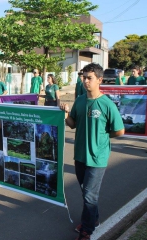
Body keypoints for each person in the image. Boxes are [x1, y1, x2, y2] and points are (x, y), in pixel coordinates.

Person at [59, 63, 125, 240]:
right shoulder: (80, 100)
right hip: (80, 155)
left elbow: (119, 130)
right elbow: (73, 124)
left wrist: (102, 137)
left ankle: (86, 230)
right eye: (83, 77)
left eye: (89, 78)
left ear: (99, 80)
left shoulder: (106, 104)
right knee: (86, 192)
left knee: (89, 195)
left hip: (98, 157)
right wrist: (66, 115)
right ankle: (93, 219)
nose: (85, 81)